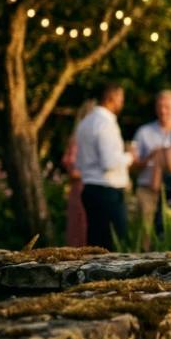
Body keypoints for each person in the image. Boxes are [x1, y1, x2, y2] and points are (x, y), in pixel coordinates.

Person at [75, 83, 136, 250]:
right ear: (112, 98)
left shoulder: (85, 122)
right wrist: (129, 156)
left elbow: (79, 162)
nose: (122, 103)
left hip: (90, 188)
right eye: (121, 99)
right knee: (114, 245)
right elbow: (109, 162)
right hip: (107, 192)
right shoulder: (105, 123)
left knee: (95, 244)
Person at [131, 90, 171, 244]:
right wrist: (151, 157)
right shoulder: (143, 132)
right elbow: (133, 166)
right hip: (147, 191)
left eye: (167, 107)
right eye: (160, 106)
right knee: (145, 236)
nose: (163, 111)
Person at [62, 100, 97, 247]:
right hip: (81, 187)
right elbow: (69, 164)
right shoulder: (77, 139)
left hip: (89, 185)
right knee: (80, 224)